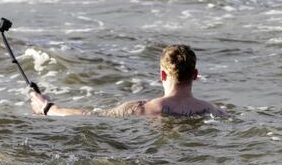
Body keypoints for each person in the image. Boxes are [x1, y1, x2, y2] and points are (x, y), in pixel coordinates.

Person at [29, 44, 226, 117]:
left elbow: (91, 115)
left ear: (163, 75)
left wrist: (48, 108)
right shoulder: (213, 111)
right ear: (195, 74)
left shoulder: (141, 109)